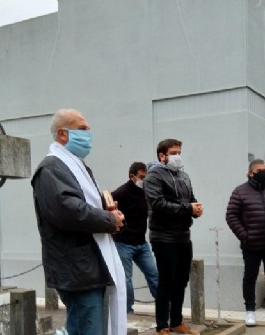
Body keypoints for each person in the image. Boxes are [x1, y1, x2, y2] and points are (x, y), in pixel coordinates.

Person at [31, 109, 127, 335]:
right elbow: (67, 210)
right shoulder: (50, 169)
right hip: (76, 267)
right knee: (86, 328)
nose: (89, 133)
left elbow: (85, 207)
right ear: (63, 134)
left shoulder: (76, 166)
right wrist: (107, 219)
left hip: (89, 265)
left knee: (82, 327)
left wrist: (113, 217)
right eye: (83, 128)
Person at [144, 138, 203, 335]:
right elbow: (158, 204)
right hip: (163, 237)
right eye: (174, 152)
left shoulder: (184, 176)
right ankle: (162, 325)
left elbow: (190, 199)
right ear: (162, 155)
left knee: (181, 280)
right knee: (166, 281)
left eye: (179, 152)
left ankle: (177, 321)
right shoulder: (153, 177)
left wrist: (196, 208)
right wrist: (188, 208)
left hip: (183, 236)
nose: (178, 156)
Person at [225, 159, 265, 326]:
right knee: (250, 278)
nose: (263, 173)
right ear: (250, 173)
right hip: (252, 244)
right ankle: (250, 312)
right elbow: (231, 216)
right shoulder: (240, 192)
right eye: (260, 170)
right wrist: (244, 236)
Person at [111, 162, 158, 314]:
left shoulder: (145, 192)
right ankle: (127, 310)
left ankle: (164, 306)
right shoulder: (120, 193)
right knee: (126, 279)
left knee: (154, 274)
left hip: (141, 243)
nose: (144, 180)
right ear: (132, 176)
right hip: (123, 243)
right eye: (141, 177)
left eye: (146, 177)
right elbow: (108, 209)